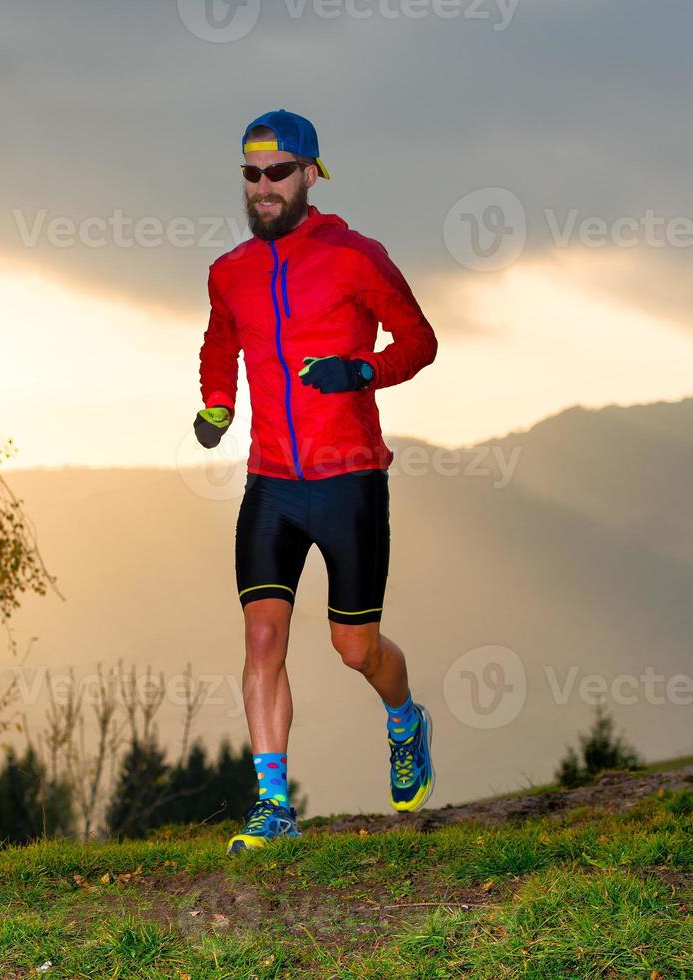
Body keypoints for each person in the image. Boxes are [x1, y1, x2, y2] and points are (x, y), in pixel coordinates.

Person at [193, 109, 439, 854]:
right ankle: (272, 805)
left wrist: (362, 370)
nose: (261, 188)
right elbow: (220, 339)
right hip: (269, 482)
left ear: (308, 174)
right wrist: (216, 403)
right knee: (262, 636)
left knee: (352, 647)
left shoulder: (355, 256)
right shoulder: (229, 270)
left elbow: (418, 340)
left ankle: (404, 720)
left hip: (349, 479)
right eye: (249, 174)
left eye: (276, 173)